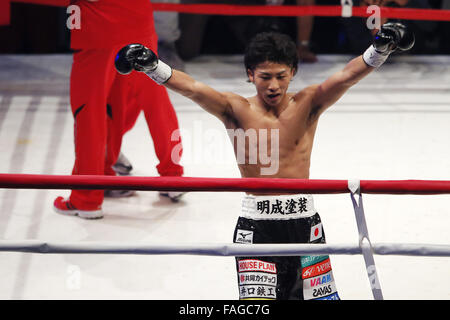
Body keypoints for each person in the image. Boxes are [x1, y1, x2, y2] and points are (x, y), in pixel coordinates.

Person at [115, 24, 414, 299]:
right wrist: (154, 68)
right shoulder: (235, 108)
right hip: (256, 224)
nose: (273, 85)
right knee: (257, 306)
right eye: (265, 76)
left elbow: (347, 76)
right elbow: (193, 88)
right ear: (250, 74)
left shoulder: (307, 104)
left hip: (303, 221)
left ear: (293, 72)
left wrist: (379, 50)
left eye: (281, 76)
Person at [53, 0, 184, 220]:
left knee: (90, 113)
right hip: (137, 19)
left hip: (96, 26)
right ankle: (171, 177)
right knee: (151, 100)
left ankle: (86, 199)